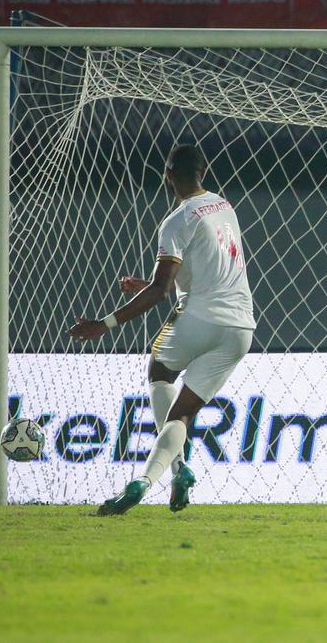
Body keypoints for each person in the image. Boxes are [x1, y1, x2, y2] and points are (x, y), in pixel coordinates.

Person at [68, 144, 256, 516]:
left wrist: (103, 325)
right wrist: (149, 284)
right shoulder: (224, 206)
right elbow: (190, 274)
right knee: (182, 416)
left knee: (159, 369)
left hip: (197, 319)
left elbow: (161, 290)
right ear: (203, 172)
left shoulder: (176, 220)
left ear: (168, 175)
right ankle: (162, 476)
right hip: (240, 329)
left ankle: (167, 471)